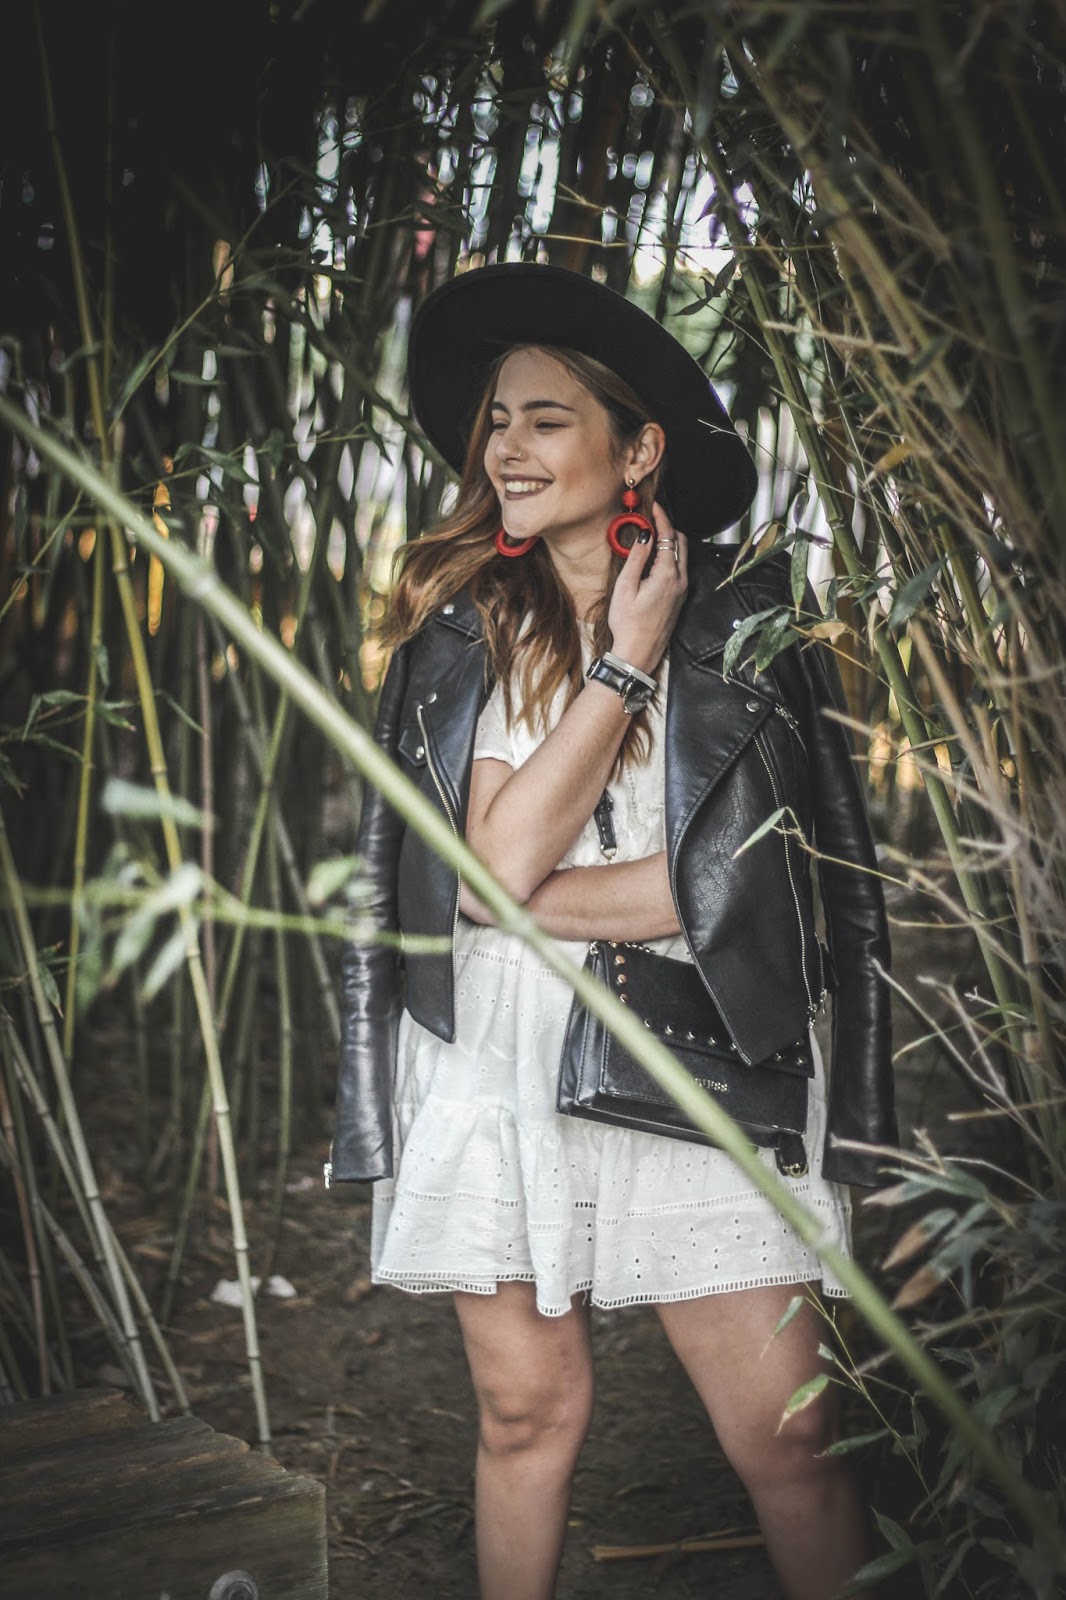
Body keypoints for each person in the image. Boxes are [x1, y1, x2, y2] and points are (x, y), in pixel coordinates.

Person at [331, 263, 895, 1600]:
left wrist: (536, 887)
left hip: (702, 1044)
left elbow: (744, 891)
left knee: (790, 1439)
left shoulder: (751, 627)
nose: (505, 448)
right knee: (527, 1415)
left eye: (545, 419)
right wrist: (622, 665)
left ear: (638, 451)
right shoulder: (468, 632)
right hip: (495, 1053)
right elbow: (480, 876)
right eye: (495, 421)